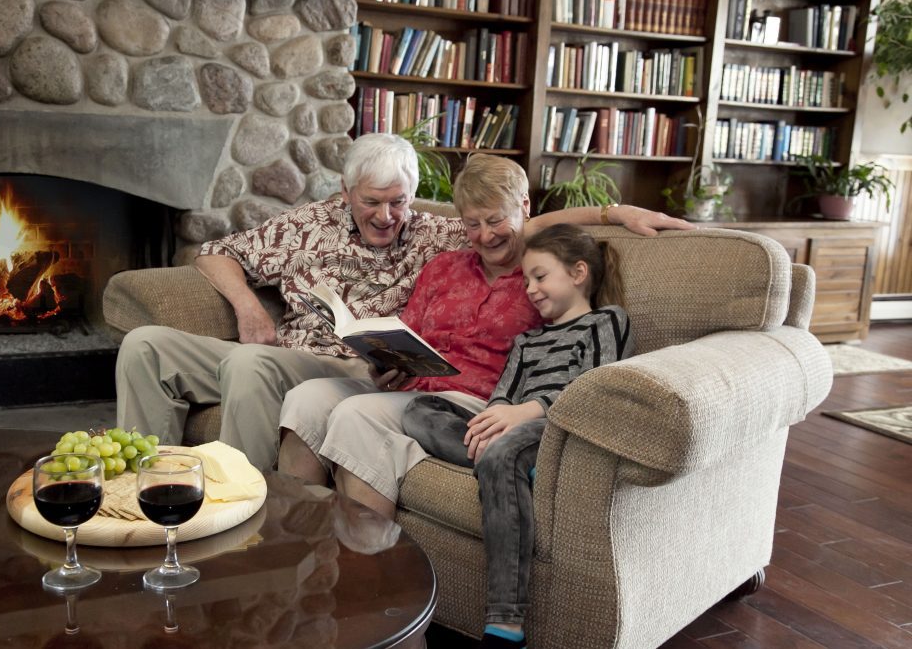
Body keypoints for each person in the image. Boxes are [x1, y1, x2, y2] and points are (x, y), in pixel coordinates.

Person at [117, 134, 688, 470]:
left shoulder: (442, 236)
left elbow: (519, 223)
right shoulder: (308, 224)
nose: (388, 217)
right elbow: (216, 252)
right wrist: (248, 307)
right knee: (146, 346)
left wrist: (616, 214)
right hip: (283, 349)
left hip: (346, 364)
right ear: (346, 194)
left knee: (248, 362)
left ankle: (226, 505)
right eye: (373, 203)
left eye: (400, 202)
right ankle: (140, 488)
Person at [275, 155, 662, 517]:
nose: (485, 235)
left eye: (495, 220)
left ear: (525, 208)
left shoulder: (544, 279)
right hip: (410, 388)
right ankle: (298, 542)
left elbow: (573, 347)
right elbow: (409, 333)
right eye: (472, 224)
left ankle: (370, 570)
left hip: (472, 401)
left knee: (354, 414)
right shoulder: (445, 266)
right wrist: (386, 365)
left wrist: (614, 212)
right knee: (306, 398)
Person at [402, 223, 633, 649]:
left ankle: (506, 622)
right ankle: (506, 471)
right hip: (513, 431)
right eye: (526, 280)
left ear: (578, 273)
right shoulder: (526, 342)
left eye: (540, 276)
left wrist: (528, 411)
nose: (529, 289)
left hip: (559, 428)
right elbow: (501, 395)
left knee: (505, 447)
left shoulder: (606, 320)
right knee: (418, 411)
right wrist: (492, 418)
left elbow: (593, 389)